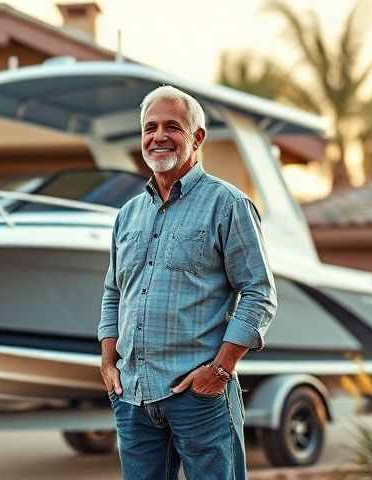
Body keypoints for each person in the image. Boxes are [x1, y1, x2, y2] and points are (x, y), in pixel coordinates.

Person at [97, 85, 277, 480]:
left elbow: (259, 293)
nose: (158, 136)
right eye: (150, 127)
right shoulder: (127, 216)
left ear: (197, 138)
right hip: (133, 397)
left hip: (200, 397)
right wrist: (109, 363)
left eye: (172, 127)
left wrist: (221, 370)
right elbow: (114, 292)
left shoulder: (228, 204)